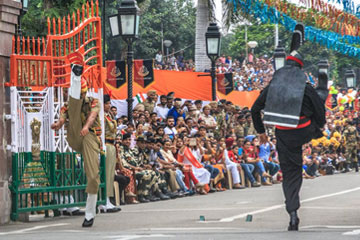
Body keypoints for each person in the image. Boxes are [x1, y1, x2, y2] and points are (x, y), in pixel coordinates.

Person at [251, 25, 326, 231]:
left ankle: (293, 213)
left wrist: (261, 132)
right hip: (305, 129)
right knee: (320, 100)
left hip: (284, 134)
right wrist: (319, 127)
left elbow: (254, 109)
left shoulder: (273, 86)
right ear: (301, 68)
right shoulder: (306, 87)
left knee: (291, 173)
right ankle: (316, 131)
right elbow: (320, 111)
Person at [51, 67, 102, 227]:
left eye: (81, 93)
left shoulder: (94, 101)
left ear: (85, 93)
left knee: (93, 176)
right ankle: (75, 75)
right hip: (74, 134)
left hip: (89, 136)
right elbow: (62, 117)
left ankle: (89, 213)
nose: (80, 96)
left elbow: (93, 115)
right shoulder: (69, 105)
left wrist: (86, 127)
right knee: (73, 105)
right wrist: (58, 124)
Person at [98, 95, 121, 213]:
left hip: (112, 145)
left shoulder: (108, 116)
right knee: (106, 173)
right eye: (107, 103)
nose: (109, 105)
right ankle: (103, 200)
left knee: (110, 173)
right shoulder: (100, 116)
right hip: (106, 144)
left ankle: (107, 199)